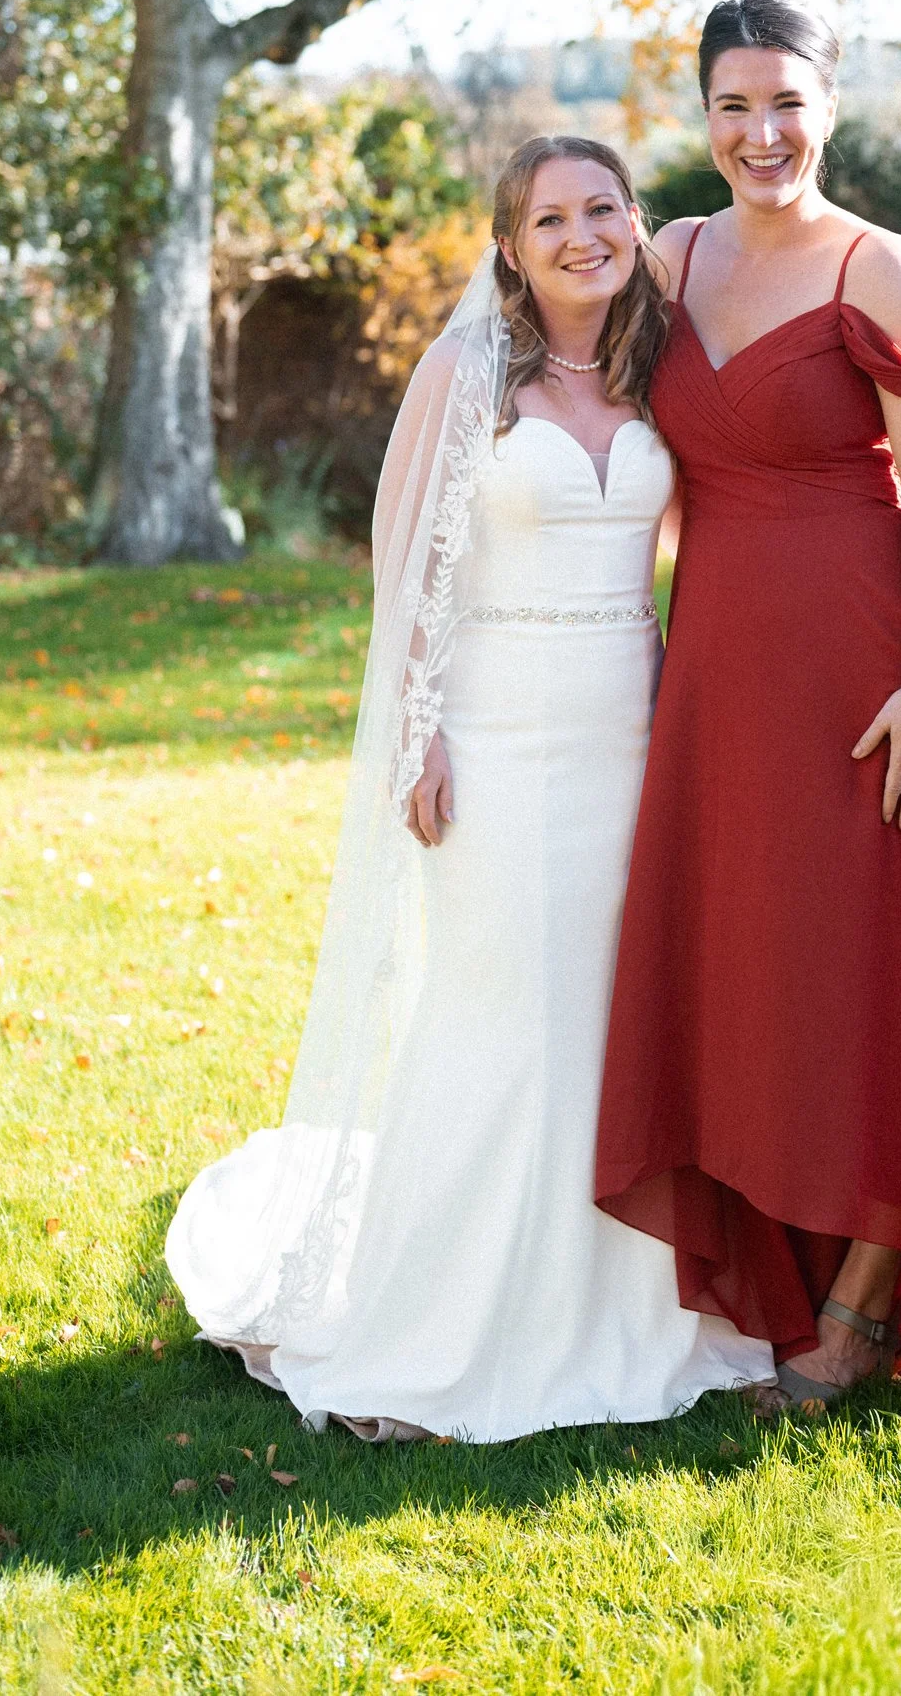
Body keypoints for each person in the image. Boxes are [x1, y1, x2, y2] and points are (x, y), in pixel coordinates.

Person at [167, 134, 774, 1442]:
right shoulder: (465, 373)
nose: (580, 235)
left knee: (612, 1022)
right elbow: (407, 570)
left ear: (632, 224)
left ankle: (627, 1312)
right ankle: (441, 1323)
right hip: (495, 740)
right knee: (498, 1012)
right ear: (508, 246)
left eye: (601, 209)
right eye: (548, 218)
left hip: (632, 735)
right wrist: (419, 733)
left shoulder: (651, 374)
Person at [595, 0, 901, 1409]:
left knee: (860, 972)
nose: (760, 132)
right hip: (717, 672)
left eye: (786, 103)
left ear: (828, 110)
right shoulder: (667, 256)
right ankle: (762, 1273)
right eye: (733, 106)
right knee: (754, 972)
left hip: (863, 666)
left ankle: (852, 1312)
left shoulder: (881, 267)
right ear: (703, 118)